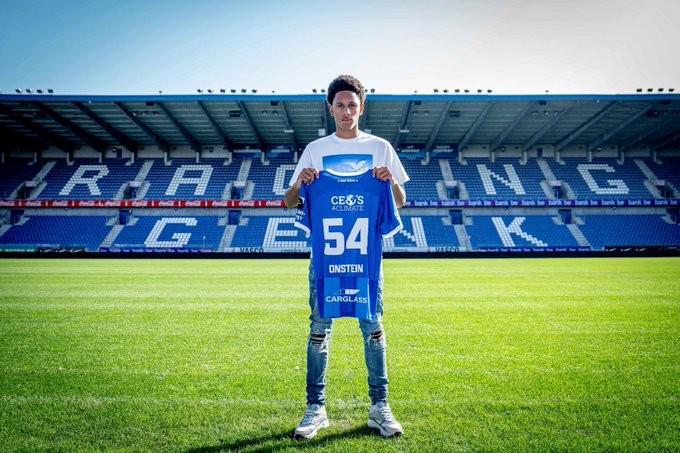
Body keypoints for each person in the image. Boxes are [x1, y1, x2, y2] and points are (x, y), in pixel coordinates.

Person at [284, 74, 409, 439]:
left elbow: (400, 202)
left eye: (352, 105)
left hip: (366, 261)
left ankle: (380, 407)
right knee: (319, 330)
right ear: (331, 108)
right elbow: (289, 202)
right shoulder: (315, 149)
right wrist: (301, 182)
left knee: (373, 329)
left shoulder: (380, 147)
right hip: (326, 262)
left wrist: (390, 181)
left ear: (361, 108)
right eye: (339, 105)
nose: (346, 112)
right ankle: (315, 408)